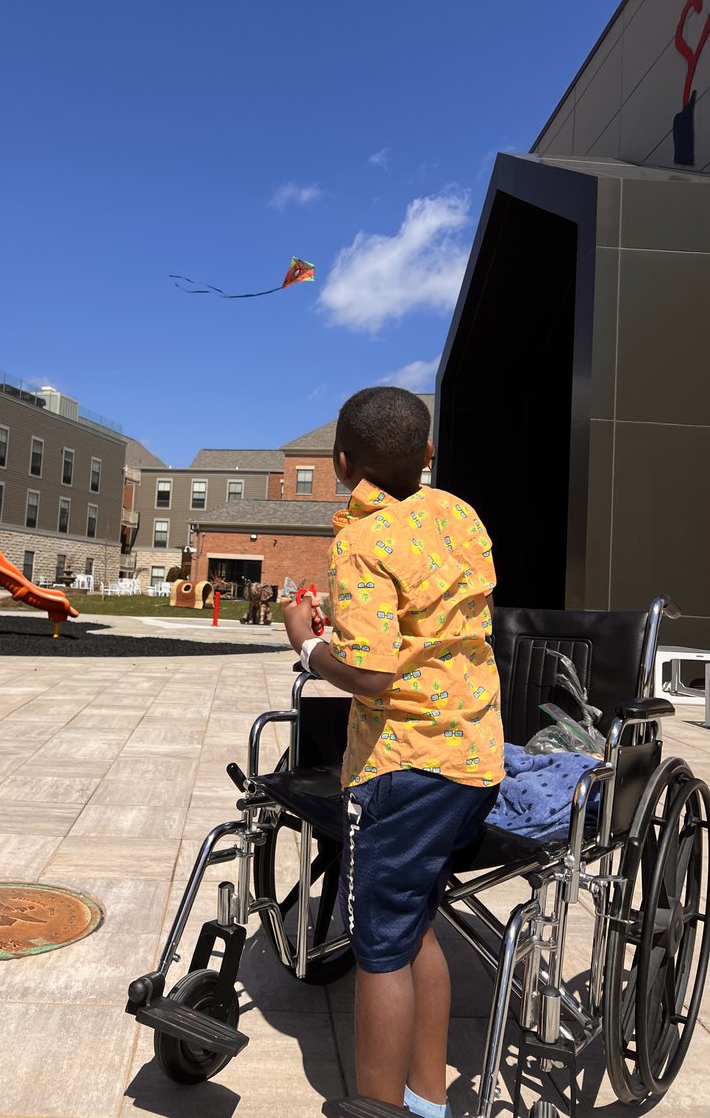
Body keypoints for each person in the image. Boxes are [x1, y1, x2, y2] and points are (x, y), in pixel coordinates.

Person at [282, 386, 504, 1118]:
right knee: (417, 927)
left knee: (379, 944)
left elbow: (374, 674)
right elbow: (430, 632)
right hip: (473, 756)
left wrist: (309, 643)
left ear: (342, 462)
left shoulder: (361, 542)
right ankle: (427, 1100)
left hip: (405, 767)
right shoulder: (460, 516)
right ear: (429, 454)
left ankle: (378, 1108)